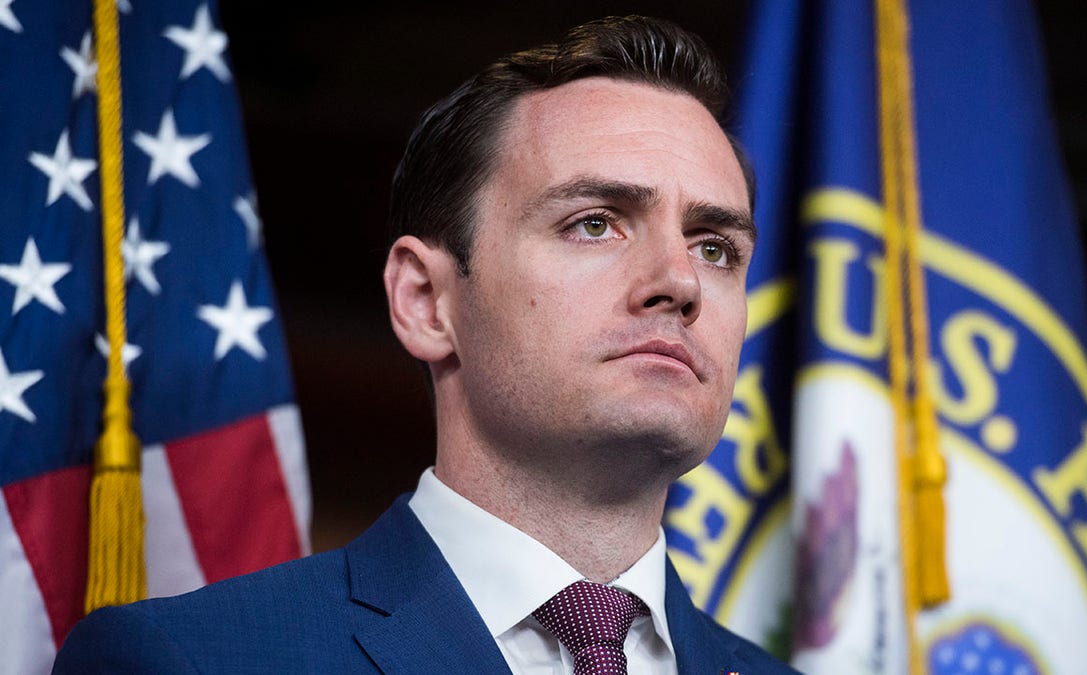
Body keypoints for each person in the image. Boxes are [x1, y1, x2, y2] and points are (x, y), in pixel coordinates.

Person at [54, 16, 799, 674]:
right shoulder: (195, 660)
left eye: (715, 247)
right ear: (426, 302)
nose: (680, 280)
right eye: (595, 222)